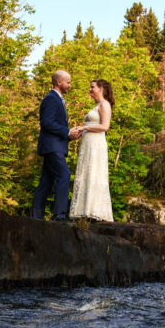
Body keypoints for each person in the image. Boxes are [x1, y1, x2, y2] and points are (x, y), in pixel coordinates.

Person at [31, 70, 79, 221]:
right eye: (68, 82)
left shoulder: (57, 99)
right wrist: (67, 132)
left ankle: (35, 216)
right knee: (64, 175)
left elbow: (54, 125)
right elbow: (47, 123)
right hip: (52, 147)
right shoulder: (52, 99)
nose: (70, 85)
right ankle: (59, 214)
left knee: (46, 181)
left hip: (54, 146)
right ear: (59, 82)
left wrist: (70, 136)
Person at [69, 78, 114, 221]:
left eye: (92, 87)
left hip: (96, 145)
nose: (90, 90)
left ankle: (94, 211)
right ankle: (83, 210)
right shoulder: (96, 106)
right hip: (87, 144)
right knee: (86, 172)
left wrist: (84, 127)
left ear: (101, 89)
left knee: (95, 172)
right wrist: (79, 133)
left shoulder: (104, 104)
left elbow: (105, 126)